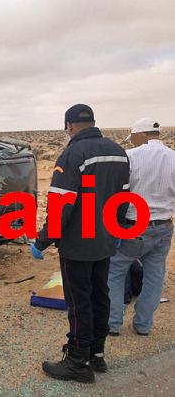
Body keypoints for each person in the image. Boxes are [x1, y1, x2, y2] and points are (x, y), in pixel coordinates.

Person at [30, 104, 130, 383]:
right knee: (100, 296)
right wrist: (117, 231)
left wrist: (42, 240)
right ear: (93, 123)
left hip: (77, 245)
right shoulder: (118, 152)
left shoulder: (73, 154)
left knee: (78, 302)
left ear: (69, 126)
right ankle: (97, 354)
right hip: (105, 241)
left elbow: (61, 206)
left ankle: (77, 362)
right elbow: (123, 199)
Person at [108, 118, 175, 336]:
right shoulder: (173, 157)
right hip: (163, 226)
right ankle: (143, 324)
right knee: (155, 276)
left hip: (133, 225)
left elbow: (118, 191)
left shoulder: (130, 156)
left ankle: (112, 323)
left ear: (142, 135)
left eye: (133, 138)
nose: (131, 142)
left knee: (115, 272)